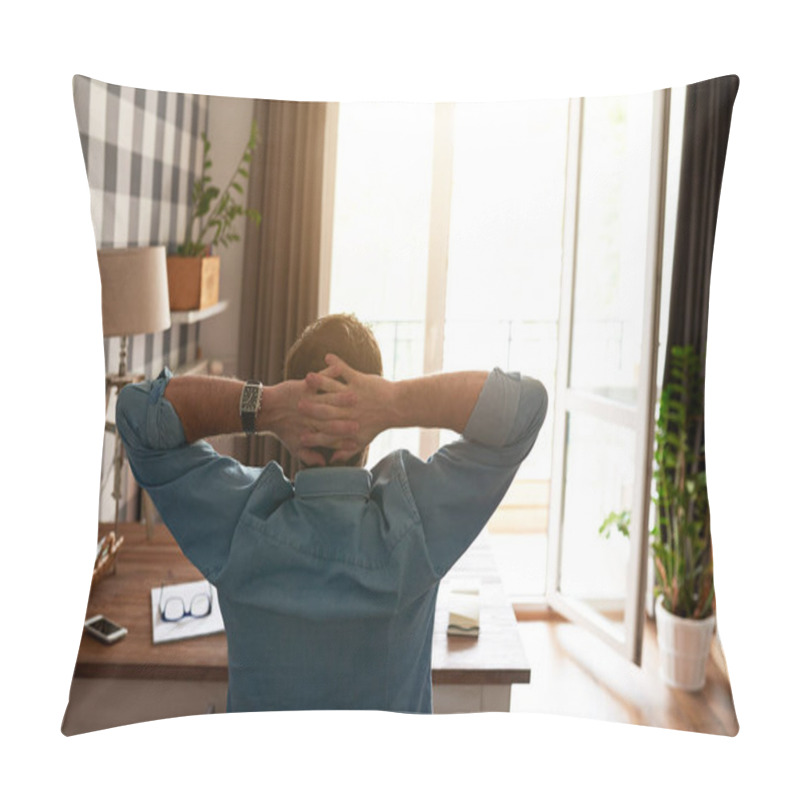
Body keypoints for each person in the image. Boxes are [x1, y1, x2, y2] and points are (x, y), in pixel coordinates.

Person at [116, 313, 548, 713]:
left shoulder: (240, 523)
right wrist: (396, 402)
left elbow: (136, 413)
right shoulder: (414, 525)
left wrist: (264, 405)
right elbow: (525, 408)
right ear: (369, 420)